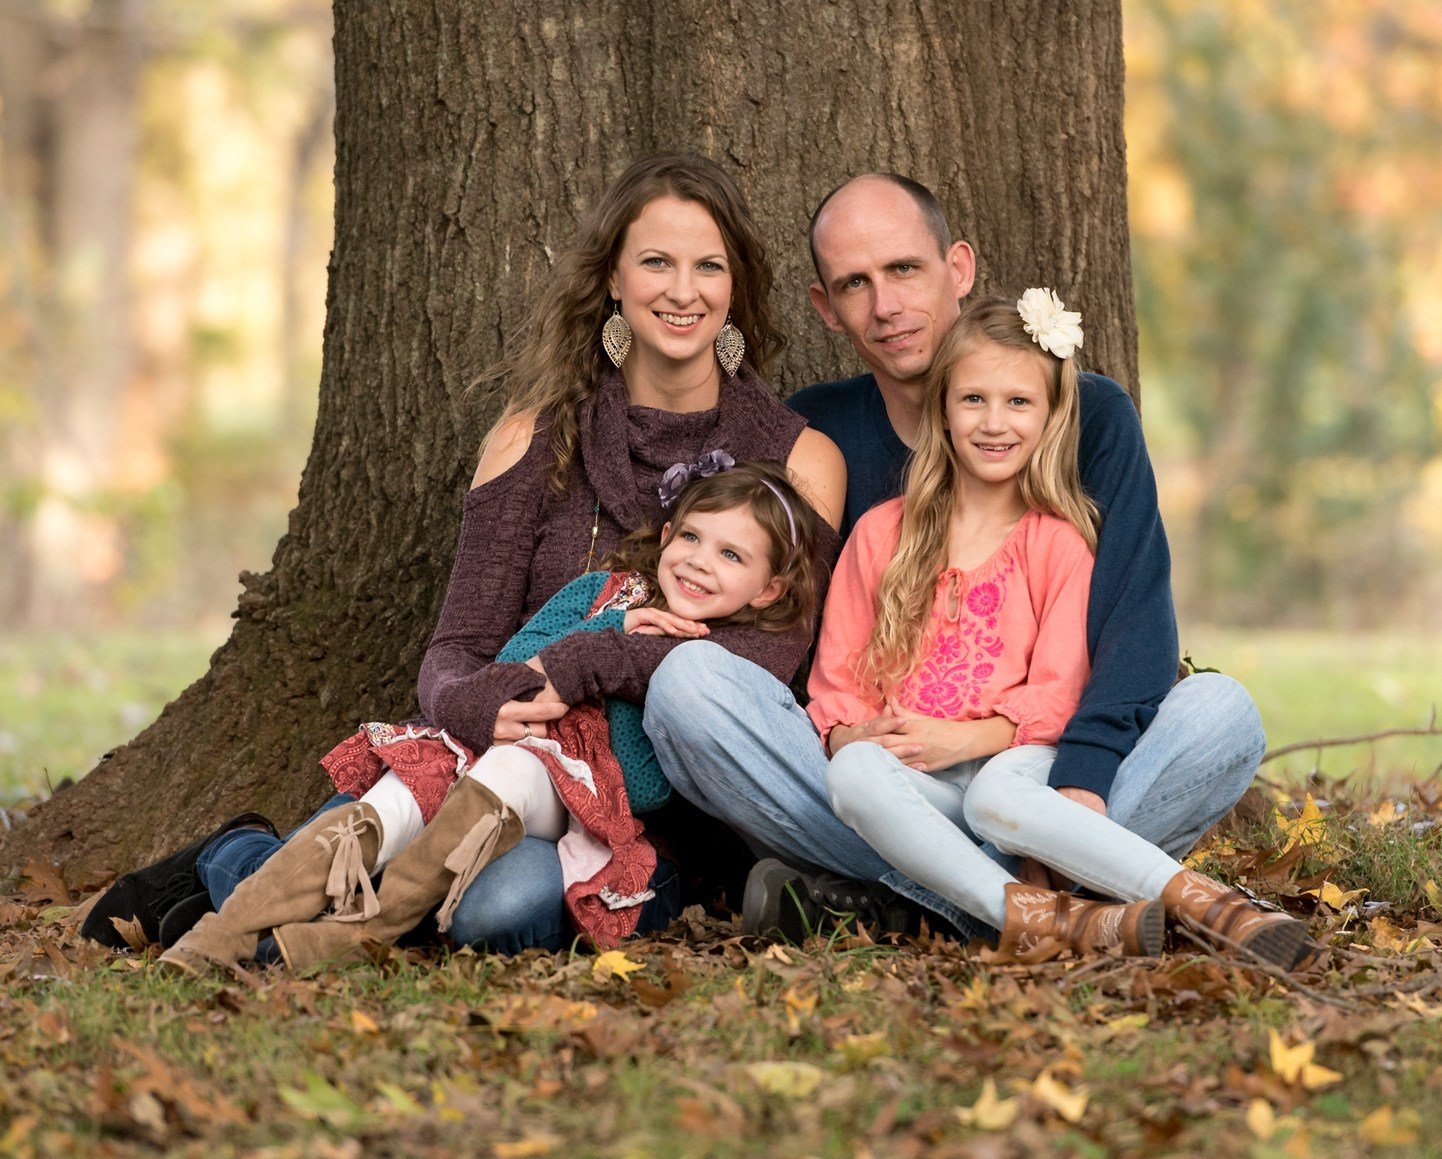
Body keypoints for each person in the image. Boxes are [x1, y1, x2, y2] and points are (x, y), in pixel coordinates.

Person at [125, 153, 845, 969]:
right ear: (614, 278)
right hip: (498, 760)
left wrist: (583, 663)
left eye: (708, 266)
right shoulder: (531, 438)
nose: (683, 290)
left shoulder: (797, 461)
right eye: (656, 262)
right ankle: (243, 869)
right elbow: (454, 650)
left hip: (651, 817)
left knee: (497, 915)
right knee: (376, 838)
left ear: (736, 284)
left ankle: (236, 878)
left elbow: (761, 662)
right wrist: (479, 705)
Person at [644, 173, 1266, 942]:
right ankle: (1020, 904)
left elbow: (1134, 629)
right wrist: (840, 733)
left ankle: (913, 905)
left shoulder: (1090, 418)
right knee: (689, 687)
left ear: (958, 268)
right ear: (826, 307)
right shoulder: (812, 435)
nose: (886, 305)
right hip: (882, 771)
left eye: (904, 268)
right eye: (855, 284)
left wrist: (1077, 784)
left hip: (1039, 769)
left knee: (1222, 714)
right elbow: (781, 622)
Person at [163, 463, 823, 973]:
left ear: (768, 589)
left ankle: (363, 931)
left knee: (512, 778)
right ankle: (216, 938)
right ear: (669, 535)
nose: (701, 561)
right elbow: (507, 676)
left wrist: (623, 669)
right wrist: (610, 632)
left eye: (732, 555)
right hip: (478, 757)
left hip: (566, 803)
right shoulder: (597, 593)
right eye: (694, 537)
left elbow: (644, 786)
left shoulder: (719, 665)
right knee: (392, 802)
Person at [815, 295, 1312, 967]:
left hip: (1019, 765)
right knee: (852, 776)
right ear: (942, 411)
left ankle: (1206, 902)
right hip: (917, 786)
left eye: (1019, 402)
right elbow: (837, 684)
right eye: (973, 400)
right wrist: (855, 737)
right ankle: (1036, 915)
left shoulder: (1058, 541)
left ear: (1052, 419)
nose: (994, 422)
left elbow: (1058, 693)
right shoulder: (881, 534)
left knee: (995, 796)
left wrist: (967, 738)